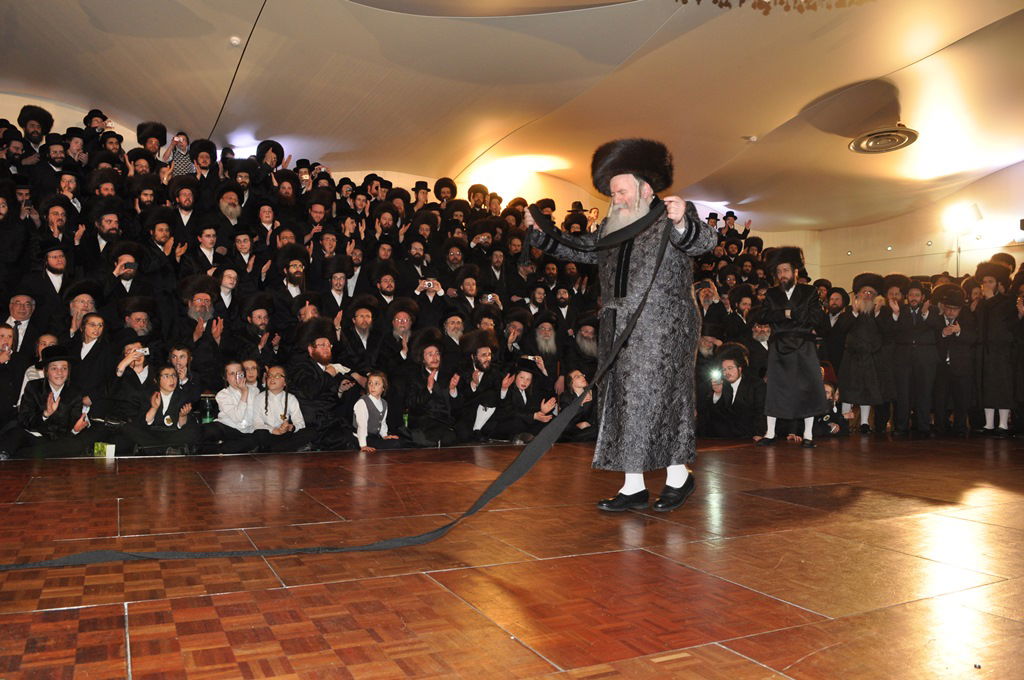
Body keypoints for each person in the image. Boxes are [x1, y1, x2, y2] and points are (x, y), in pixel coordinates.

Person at [526, 138, 717, 512]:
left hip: (664, 327)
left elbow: (704, 242)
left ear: (646, 189)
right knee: (623, 402)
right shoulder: (611, 229)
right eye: (612, 193)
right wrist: (541, 231)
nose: (616, 198)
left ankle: (679, 477)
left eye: (621, 190)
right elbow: (576, 247)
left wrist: (683, 222)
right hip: (618, 326)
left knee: (661, 400)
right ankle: (634, 486)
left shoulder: (672, 214)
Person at [755, 247, 827, 448]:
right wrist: (786, 314)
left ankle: (808, 435)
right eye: (778, 272)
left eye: (786, 270)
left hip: (804, 346)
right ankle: (770, 433)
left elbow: (817, 318)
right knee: (776, 388)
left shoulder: (810, 291)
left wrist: (789, 314)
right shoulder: (771, 293)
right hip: (779, 346)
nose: (782, 275)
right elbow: (762, 316)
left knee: (808, 389)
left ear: (796, 271)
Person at [120, 364, 200, 454]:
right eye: (166, 376)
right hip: (152, 433)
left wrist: (182, 416)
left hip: (174, 435)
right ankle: (166, 450)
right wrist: (154, 408)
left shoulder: (183, 396)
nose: (172, 379)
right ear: (156, 380)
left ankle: (157, 449)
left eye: (174, 375)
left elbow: (184, 426)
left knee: (194, 430)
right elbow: (143, 423)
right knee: (128, 428)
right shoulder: (148, 395)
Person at [253, 364, 317, 452]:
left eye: (277, 376)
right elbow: (257, 423)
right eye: (270, 375)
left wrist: (290, 427)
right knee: (260, 433)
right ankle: (281, 448)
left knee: (311, 432)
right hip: (269, 434)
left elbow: (300, 423)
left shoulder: (291, 398)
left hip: (285, 434)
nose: (272, 378)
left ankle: (273, 449)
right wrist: (274, 430)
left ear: (285, 382)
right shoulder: (259, 398)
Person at [353, 371, 406, 452]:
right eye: (370, 383)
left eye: (376, 384)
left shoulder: (384, 403)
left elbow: (382, 423)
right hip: (360, 438)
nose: (372, 386)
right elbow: (361, 426)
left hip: (373, 437)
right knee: (395, 445)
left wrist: (385, 436)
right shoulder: (363, 402)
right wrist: (363, 445)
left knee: (400, 442)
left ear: (383, 387)